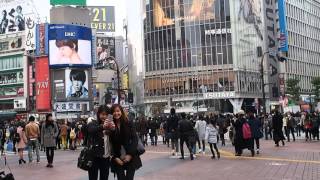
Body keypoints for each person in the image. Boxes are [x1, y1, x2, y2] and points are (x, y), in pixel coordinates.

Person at [110, 104, 142, 180]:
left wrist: (130, 155)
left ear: (121, 111)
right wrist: (115, 157)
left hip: (130, 155)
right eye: (114, 112)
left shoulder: (128, 122)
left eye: (118, 111)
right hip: (117, 157)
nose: (116, 113)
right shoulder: (110, 125)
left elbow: (135, 139)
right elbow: (110, 143)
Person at [86, 105, 115, 180]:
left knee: (104, 177)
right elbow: (90, 130)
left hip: (106, 156)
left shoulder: (111, 125)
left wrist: (113, 130)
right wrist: (102, 126)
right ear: (98, 114)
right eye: (102, 114)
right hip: (94, 156)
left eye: (106, 114)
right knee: (93, 177)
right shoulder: (93, 122)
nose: (104, 116)